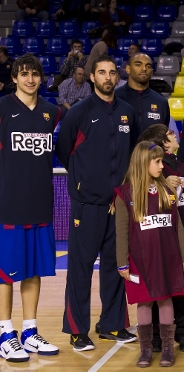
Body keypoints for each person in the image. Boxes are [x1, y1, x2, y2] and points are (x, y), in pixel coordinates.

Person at [56, 54, 137, 351]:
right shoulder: (78, 112)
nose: (107, 77)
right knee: (80, 267)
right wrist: (84, 183)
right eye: (101, 72)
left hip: (118, 204)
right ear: (92, 77)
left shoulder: (127, 111)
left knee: (116, 266)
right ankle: (78, 330)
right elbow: (64, 151)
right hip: (87, 205)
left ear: (117, 77)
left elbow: (133, 153)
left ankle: (112, 324)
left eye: (111, 72)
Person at [0, 53, 60, 363]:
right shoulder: (3, 108)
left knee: (33, 271)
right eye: (23, 74)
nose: (30, 79)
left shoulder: (52, 112)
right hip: (8, 206)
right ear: (14, 78)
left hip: (41, 205)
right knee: (6, 274)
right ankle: (5, 332)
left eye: (34, 74)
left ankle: (29, 331)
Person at [115, 141, 184, 367]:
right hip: (139, 260)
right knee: (144, 303)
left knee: (166, 300)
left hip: (167, 256)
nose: (162, 166)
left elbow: (178, 226)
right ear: (142, 163)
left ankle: (167, 348)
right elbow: (122, 231)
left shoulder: (167, 190)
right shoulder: (125, 193)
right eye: (156, 162)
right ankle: (145, 349)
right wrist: (122, 263)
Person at [138, 125, 184, 353]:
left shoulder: (181, 165)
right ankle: (155, 335)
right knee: (159, 285)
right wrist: (163, 184)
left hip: (183, 229)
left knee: (183, 285)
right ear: (162, 142)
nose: (175, 135)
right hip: (162, 234)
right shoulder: (152, 167)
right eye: (170, 134)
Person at [115, 52, 170, 137]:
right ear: (128, 69)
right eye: (138, 65)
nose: (144, 69)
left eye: (148, 66)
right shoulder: (114, 98)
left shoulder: (161, 102)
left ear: (151, 72)